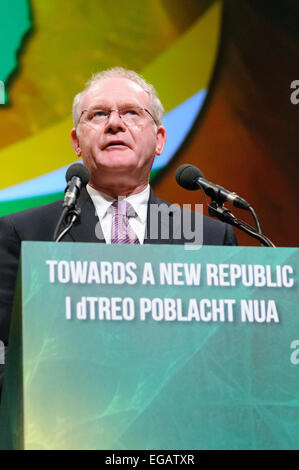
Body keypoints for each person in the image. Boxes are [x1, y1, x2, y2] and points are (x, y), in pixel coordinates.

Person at [0, 67, 237, 394]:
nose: (114, 123)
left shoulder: (209, 238)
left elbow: (229, 361)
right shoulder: (24, 232)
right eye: (97, 114)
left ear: (159, 140)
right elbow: (4, 357)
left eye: (131, 113)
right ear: (76, 142)